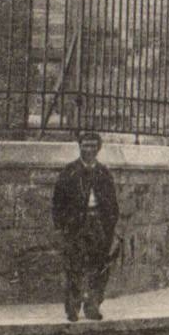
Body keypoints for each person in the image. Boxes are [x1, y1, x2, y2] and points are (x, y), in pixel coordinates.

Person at [52, 129, 119, 322]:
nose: (88, 149)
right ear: (79, 147)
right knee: (74, 265)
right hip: (76, 224)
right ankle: (72, 307)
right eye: (85, 145)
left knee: (99, 266)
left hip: (98, 223)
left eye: (92, 145)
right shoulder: (70, 171)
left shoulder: (104, 173)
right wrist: (62, 226)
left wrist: (110, 226)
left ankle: (93, 306)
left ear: (98, 149)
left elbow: (112, 202)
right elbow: (58, 202)